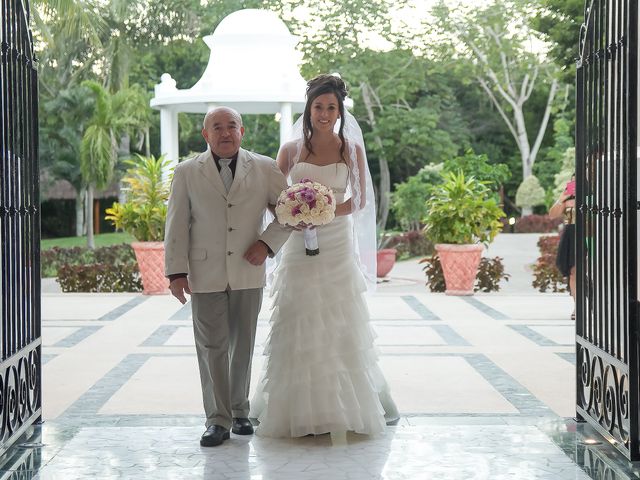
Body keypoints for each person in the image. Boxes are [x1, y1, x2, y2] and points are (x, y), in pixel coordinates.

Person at [250, 74, 399, 437]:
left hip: (335, 243)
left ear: (339, 110)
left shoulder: (351, 149)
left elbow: (360, 200)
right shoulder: (290, 150)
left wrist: (325, 211)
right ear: (309, 108)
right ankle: (295, 408)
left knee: (337, 314)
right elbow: (272, 195)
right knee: (299, 311)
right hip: (298, 243)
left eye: (331, 107)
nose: (325, 113)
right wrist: (294, 214)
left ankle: (344, 406)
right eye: (319, 107)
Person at [164, 107, 291, 447]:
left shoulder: (264, 167)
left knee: (242, 345)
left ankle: (240, 412)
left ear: (242, 131)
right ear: (205, 135)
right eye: (216, 127)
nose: (225, 132)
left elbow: (289, 212)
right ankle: (216, 420)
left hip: (248, 271)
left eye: (231, 126)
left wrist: (266, 244)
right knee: (211, 347)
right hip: (204, 273)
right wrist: (175, 272)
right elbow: (175, 224)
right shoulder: (187, 172)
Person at [549, 174, 576, 320]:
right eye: (573, 181)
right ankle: (577, 307)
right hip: (570, 235)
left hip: (589, 234)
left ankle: (593, 304)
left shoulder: (593, 196)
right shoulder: (567, 200)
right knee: (573, 271)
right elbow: (552, 215)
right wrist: (562, 198)